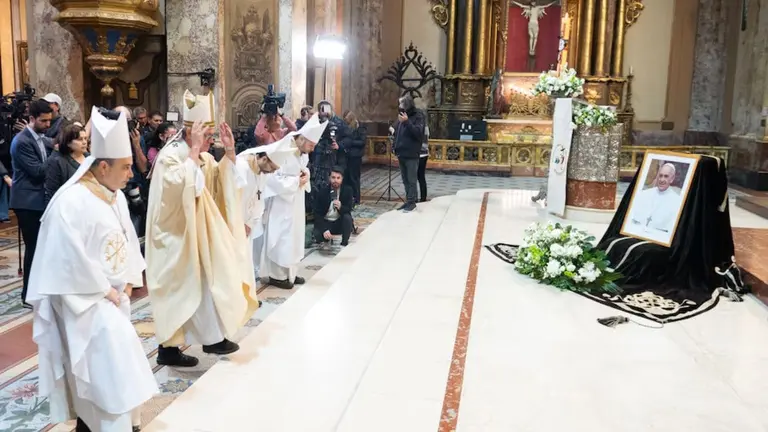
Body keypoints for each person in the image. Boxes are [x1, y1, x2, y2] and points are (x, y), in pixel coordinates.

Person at [27, 106, 157, 432]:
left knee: (112, 374)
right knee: (106, 374)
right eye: (125, 167)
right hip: (84, 304)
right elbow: (65, 260)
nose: (131, 174)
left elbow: (127, 240)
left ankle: (103, 424)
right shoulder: (70, 203)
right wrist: (105, 290)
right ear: (102, 166)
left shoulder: (114, 196)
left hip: (113, 299)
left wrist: (127, 281)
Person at [145, 89, 260, 367]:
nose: (211, 141)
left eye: (211, 137)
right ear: (190, 134)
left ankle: (213, 339)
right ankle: (168, 349)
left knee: (208, 283)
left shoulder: (202, 156)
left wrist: (230, 152)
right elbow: (176, 190)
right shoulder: (170, 156)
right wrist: (195, 151)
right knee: (178, 290)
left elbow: (220, 181)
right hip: (175, 236)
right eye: (207, 137)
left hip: (200, 235)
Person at [262, 113, 328, 290]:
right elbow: (271, 177)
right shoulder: (283, 149)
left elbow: (302, 167)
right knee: (281, 236)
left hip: (295, 200)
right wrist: (295, 182)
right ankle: (277, 275)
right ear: (303, 139)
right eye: (311, 145)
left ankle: (290, 272)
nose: (313, 150)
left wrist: (305, 174)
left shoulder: (302, 150)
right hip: (281, 202)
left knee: (294, 236)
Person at [11, 98, 53, 307]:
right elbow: (37, 172)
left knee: (42, 247)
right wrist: (57, 158)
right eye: (44, 121)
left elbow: (53, 144)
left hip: (39, 199)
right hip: (27, 202)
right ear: (32, 119)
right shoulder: (22, 141)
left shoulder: (41, 138)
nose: (48, 125)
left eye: (49, 121)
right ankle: (28, 294)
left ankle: (40, 289)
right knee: (34, 248)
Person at [236, 142, 289, 279]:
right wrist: (239, 222)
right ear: (264, 159)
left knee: (246, 260)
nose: (271, 172)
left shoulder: (261, 172)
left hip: (247, 224)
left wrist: (250, 222)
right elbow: (232, 198)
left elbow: (259, 198)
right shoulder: (242, 166)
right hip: (234, 222)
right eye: (272, 168)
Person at [393, 94, 425, 212]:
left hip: (412, 153)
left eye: (401, 103)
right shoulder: (402, 116)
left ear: (407, 104)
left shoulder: (418, 116)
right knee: (405, 179)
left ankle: (412, 202)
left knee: (412, 179)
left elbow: (418, 133)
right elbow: (399, 133)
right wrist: (395, 146)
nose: (400, 106)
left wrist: (407, 122)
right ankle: (408, 200)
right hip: (401, 152)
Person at [629, 163, 683, 234]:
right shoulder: (645, 194)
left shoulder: (676, 201)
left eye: (666, 176)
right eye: (660, 176)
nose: (662, 179)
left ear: (672, 179)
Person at [45, 123, 88, 205]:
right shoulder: (58, 161)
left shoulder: (90, 159)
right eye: (80, 139)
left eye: (85, 138)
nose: (84, 142)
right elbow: (52, 192)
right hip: (68, 205)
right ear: (68, 143)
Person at [313, 167, 354, 247]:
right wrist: (324, 229)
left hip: (339, 221)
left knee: (347, 218)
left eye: (338, 178)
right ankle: (326, 237)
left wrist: (341, 207)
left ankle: (344, 242)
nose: (336, 180)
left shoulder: (347, 190)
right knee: (317, 235)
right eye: (333, 177)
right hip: (327, 221)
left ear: (342, 179)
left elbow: (348, 209)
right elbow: (318, 213)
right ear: (329, 178)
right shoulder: (323, 191)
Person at [342, 110, 366, 205]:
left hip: (355, 157)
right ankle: (348, 198)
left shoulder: (360, 127)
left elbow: (362, 142)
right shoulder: (345, 127)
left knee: (354, 178)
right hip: (347, 156)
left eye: (347, 119)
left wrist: (350, 143)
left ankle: (356, 198)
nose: (345, 121)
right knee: (347, 178)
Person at [418, 125, 429, 202]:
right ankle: (423, 198)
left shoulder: (419, 126)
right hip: (424, 153)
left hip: (419, 153)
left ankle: (415, 198)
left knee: (417, 177)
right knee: (421, 177)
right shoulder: (425, 127)